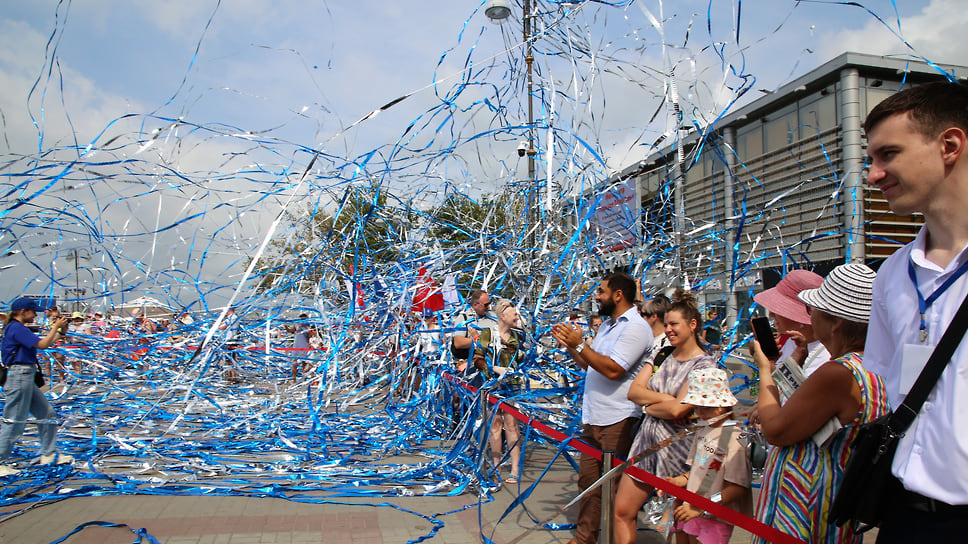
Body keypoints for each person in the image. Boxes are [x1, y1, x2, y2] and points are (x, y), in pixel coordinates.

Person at [862, 81, 968, 540]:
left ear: (949, 146)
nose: (873, 174)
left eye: (888, 154)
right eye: (871, 159)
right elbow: (885, 384)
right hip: (908, 517)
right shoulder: (891, 273)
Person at [750, 264, 888, 544]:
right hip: (836, 495)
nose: (811, 318)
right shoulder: (875, 366)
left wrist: (766, 370)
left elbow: (775, 430)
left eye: (815, 311)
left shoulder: (838, 372)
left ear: (835, 321)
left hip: (805, 500)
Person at [550, 272, 653, 544]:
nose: (596, 296)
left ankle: (612, 539)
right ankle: (585, 538)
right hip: (594, 416)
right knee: (588, 483)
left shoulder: (636, 327)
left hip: (618, 418)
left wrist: (580, 344)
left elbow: (614, 370)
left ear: (618, 295)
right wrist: (571, 345)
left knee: (612, 488)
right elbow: (590, 363)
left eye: (601, 291)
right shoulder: (608, 325)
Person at [615, 289, 717, 544]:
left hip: (681, 451)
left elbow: (679, 411)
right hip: (646, 445)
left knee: (683, 526)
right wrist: (664, 404)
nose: (668, 329)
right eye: (667, 324)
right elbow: (634, 391)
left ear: (692, 325)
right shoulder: (661, 354)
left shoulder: (705, 365)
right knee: (623, 510)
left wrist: (652, 404)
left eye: (674, 324)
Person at [666, 368, 753, 544]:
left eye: (704, 407)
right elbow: (697, 469)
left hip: (716, 518)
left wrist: (702, 505)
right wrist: (678, 481)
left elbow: (738, 487)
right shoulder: (704, 429)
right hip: (692, 509)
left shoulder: (735, 437)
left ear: (721, 406)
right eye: (696, 406)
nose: (699, 412)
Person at [0, 298, 74, 476]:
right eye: (33, 312)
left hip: (26, 376)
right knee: (14, 421)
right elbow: (42, 344)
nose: (35, 315)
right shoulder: (16, 328)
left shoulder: (17, 328)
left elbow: (45, 342)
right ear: (23, 311)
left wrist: (60, 330)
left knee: (46, 414)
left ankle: (48, 454)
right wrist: (55, 329)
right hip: (19, 376)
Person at [473, 299, 525, 484]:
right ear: (502, 315)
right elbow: (477, 358)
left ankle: (515, 468)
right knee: (495, 427)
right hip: (492, 386)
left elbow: (523, 359)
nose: (517, 317)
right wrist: (493, 369)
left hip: (512, 386)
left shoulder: (517, 337)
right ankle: (496, 466)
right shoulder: (488, 334)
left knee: (512, 426)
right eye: (514, 314)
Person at [754, 270, 830, 376]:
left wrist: (765, 369)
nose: (771, 314)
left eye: (779, 309)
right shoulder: (790, 341)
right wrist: (770, 365)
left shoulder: (829, 357)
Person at [452, 290, 499, 384]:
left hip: (496, 366)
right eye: (485, 305)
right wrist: (481, 339)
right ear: (475, 305)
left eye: (489, 303)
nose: (488, 307)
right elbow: (458, 343)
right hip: (475, 369)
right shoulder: (464, 318)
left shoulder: (494, 316)